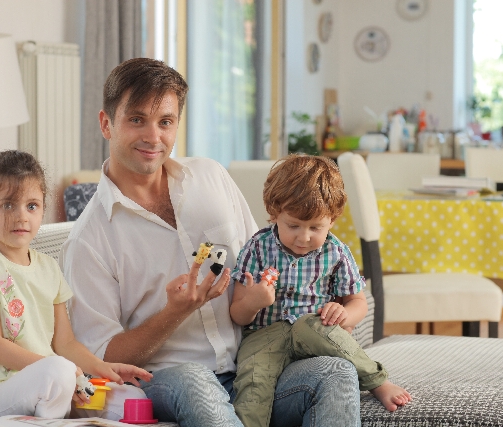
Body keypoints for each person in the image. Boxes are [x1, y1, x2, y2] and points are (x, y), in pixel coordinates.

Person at [60, 57, 363, 427]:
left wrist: (329, 314)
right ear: (106, 123)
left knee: (335, 372)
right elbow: (101, 357)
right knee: (195, 381)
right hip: (169, 380)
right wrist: (175, 312)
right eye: (136, 119)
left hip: (253, 367)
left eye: (165, 122)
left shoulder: (211, 177)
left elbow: (268, 259)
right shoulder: (89, 240)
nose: (153, 137)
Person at [0, 150, 152, 421]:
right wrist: (63, 371)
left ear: (42, 209)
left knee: (132, 398)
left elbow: (65, 342)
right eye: (8, 205)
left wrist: (102, 368)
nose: (21, 216)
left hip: (53, 383)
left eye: (31, 206)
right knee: (59, 372)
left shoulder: (49, 267)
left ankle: (54, 409)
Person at [229, 154, 412, 427]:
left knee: (323, 332)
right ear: (275, 213)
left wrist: (344, 314)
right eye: (293, 225)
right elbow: (238, 314)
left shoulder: (336, 252)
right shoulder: (257, 247)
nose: (304, 237)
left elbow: (358, 301)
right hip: (264, 335)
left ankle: (377, 382)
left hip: (314, 329)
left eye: (316, 227)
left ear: (332, 220)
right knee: (252, 383)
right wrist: (254, 301)